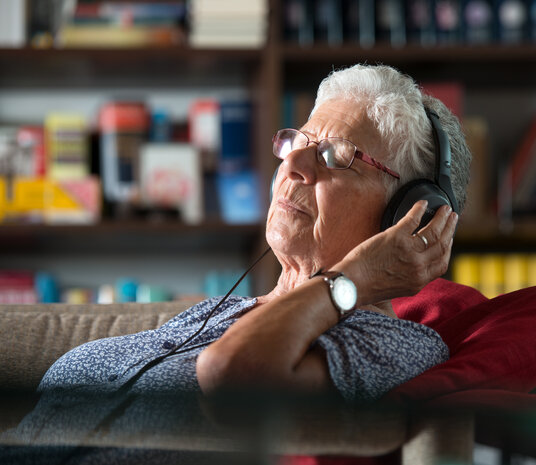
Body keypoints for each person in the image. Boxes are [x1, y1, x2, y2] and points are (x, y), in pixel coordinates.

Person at [1, 64, 472, 462]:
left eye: (334, 156)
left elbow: (232, 378)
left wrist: (356, 277)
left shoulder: (395, 345)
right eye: (297, 143)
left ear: (411, 215)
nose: (293, 166)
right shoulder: (222, 311)